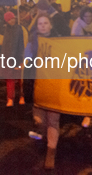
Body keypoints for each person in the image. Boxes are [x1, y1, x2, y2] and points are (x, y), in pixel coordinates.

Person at [26, 14, 61, 170]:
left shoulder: (60, 41)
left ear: (51, 25)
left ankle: (50, 152)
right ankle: (44, 141)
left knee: (53, 120)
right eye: (40, 23)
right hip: (38, 85)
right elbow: (26, 61)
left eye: (46, 23)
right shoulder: (33, 42)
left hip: (54, 86)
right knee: (40, 119)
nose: (43, 26)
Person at [0, 12, 26, 107]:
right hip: (7, 57)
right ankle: (10, 98)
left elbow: (21, 44)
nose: (13, 20)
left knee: (20, 79)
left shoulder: (19, 28)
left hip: (17, 56)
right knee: (10, 79)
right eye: (10, 19)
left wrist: (20, 57)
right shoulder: (5, 29)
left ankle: (22, 96)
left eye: (13, 18)